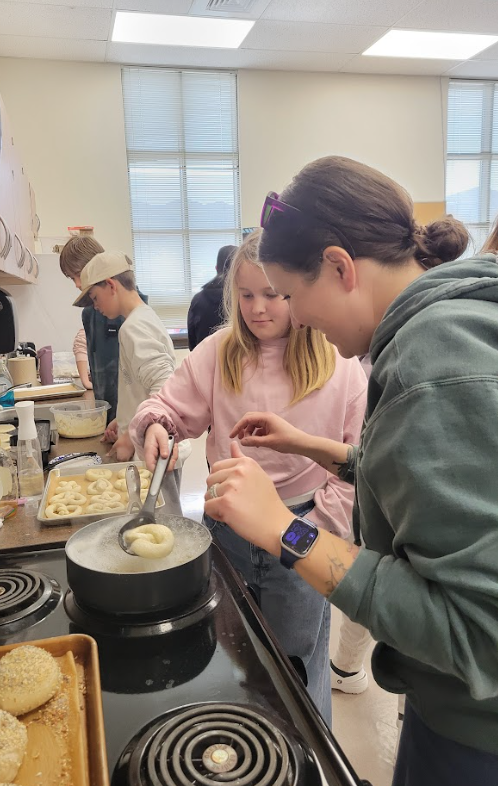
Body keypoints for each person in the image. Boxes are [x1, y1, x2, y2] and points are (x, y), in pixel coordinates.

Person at [204, 156, 498, 786]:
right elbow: (441, 487)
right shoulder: (455, 321)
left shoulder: (433, 364)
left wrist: (286, 530)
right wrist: (325, 449)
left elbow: (478, 633)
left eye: (292, 295)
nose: (296, 318)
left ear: (340, 267)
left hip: (476, 735)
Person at [129, 231, 367, 724]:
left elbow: (353, 464)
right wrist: (154, 424)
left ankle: (305, 756)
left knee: (296, 659)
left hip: (301, 527)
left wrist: (317, 529)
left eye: (273, 294)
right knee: (231, 654)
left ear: (295, 290)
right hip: (228, 527)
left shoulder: (338, 363)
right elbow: (169, 407)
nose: (259, 309)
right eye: (247, 295)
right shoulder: (218, 353)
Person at [73, 250, 179, 467]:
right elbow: (141, 386)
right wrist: (123, 420)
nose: (95, 306)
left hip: (153, 451)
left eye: (95, 297)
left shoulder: (133, 327)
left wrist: (132, 437)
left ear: (112, 286)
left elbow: (164, 386)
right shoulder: (143, 317)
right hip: (154, 446)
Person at [59, 236, 148, 421]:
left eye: (78, 274)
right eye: (71, 278)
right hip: (108, 409)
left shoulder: (133, 313)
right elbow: (86, 345)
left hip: (133, 413)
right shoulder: (89, 313)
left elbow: (146, 381)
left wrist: (129, 419)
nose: (76, 283)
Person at [187, 244, 237, 350]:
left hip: (202, 361)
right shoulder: (243, 299)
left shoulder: (198, 299)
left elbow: (192, 341)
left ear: (216, 268)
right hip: (236, 362)